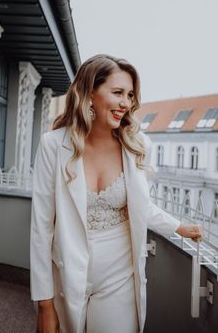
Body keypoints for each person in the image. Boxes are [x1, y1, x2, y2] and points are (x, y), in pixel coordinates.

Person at [30, 54, 203, 333]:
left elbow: (140, 206)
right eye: (118, 92)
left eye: (131, 94)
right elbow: (40, 228)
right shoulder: (53, 146)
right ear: (89, 93)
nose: (127, 102)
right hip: (66, 270)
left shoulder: (136, 145)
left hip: (119, 273)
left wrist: (179, 227)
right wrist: (44, 302)